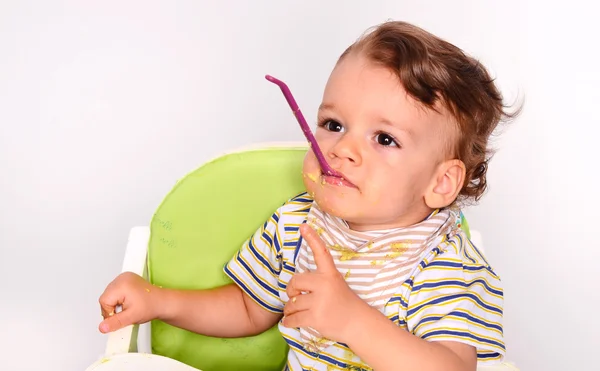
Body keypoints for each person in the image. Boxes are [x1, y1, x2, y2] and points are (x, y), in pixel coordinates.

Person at [98, 20, 518, 371]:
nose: (342, 149)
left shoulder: (445, 262)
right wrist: (158, 301)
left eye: (384, 138)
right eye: (334, 124)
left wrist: (352, 320)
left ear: (441, 183)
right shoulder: (298, 223)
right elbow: (249, 309)